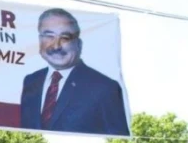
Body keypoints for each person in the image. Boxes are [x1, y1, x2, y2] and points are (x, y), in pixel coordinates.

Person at [19, 8, 129, 136]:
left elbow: (118, 139)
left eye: (65, 38)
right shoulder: (31, 81)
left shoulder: (105, 88)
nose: (56, 46)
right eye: (49, 36)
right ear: (39, 40)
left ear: (79, 44)